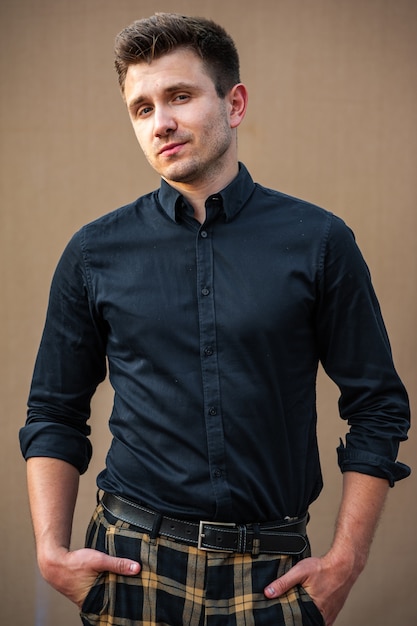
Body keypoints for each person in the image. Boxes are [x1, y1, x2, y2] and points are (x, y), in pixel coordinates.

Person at [19, 12, 410, 626]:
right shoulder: (93, 252)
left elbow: (378, 406)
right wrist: (50, 552)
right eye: (141, 108)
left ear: (235, 103)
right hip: (131, 565)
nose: (161, 122)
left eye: (179, 96)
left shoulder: (319, 241)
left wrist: (347, 561)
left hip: (274, 574)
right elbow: (53, 411)